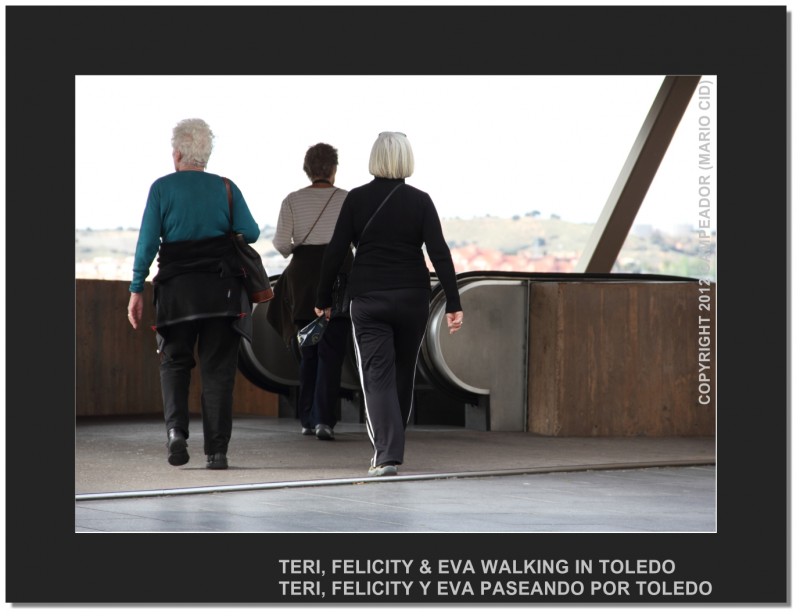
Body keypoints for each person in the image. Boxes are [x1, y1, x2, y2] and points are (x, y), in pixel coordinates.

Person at [314, 131, 464, 477]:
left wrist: (322, 299)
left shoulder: (356, 200)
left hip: (368, 298)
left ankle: (386, 454)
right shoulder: (421, 201)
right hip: (413, 298)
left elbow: (335, 251)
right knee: (402, 372)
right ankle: (392, 445)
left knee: (376, 376)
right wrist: (453, 303)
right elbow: (439, 253)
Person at [126, 118, 261, 470]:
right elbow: (251, 232)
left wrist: (136, 288)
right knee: (218, 371)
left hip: (176, 294)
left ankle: (176, 434)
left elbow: (146, 244)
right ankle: (217, 452)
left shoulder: (162, 189)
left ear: (178, 153)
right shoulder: (226, 188)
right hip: (222, 293)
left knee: (175, 362)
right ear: (206, 154)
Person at [267, 143, 353, 441]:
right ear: (333, 169)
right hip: (340, 277)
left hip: (303, 281)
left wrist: (300, 246)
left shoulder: (292, 200)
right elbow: (359, 241)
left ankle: (306, 418)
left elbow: (280, 244)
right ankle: (324, 421)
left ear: (308, 169)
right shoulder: (347, 199)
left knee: (308, 351)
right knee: (332, 354)